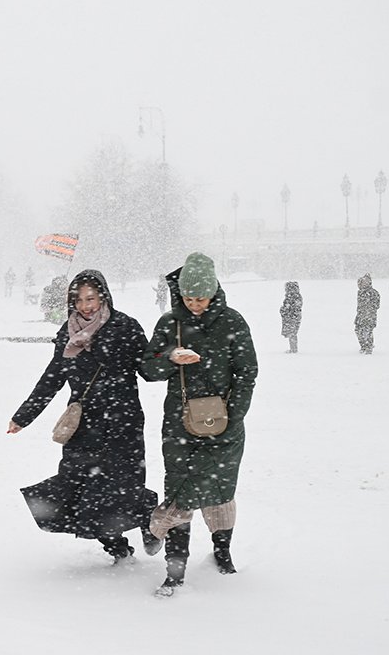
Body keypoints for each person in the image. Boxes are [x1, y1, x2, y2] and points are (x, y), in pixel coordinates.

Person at [7, 270, 158, 564]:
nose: (86, 305)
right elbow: (53, 377)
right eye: (79, 300)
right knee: (81, 490)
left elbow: (149, 371)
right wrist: (24, 416)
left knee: (119, 488)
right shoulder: (68, 332)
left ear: (103, 296)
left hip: (121, 422)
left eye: (91, 298)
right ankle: (118, 549)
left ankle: (149, 514)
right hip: (82, 425)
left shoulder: (124, 326)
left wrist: (170, 356)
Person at [140, 252, 258, 597]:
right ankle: (175, 572)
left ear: (214, 292)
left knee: (220, 492)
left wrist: (232, 416)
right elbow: (147, 368)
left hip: (225, 423)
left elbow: (247, 372)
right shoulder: (169, 323)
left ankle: (221, 552)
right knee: (180, 489)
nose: (194, 305)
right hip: (180, 425)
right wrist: (170, 357)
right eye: (188, 298)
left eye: (201, 298)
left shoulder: (233, 322)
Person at [355, 274, 380, 354]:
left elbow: (376, 305)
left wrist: (369, 310)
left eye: (362, 283)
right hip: (360, 315)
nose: (360, 285)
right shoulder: (360, 292)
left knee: (368, 331)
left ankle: (369, 347)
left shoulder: (373, 293)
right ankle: (363, 346)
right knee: (358, 330)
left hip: (369, 315)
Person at [280, 280, 302, 353]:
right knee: (292, 333)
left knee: (292, 333)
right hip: (293, 317)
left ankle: (293, 349)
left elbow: (291, 308)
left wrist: (283, 310)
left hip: (291, 318)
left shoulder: (292, 297)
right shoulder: (296, 296)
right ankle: (293, 349)